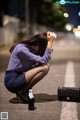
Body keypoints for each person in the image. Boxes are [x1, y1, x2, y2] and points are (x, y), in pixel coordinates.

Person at [4, 31, 57, 109]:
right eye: (44, 48)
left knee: (46, 67)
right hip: (12, 80)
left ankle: (22, 91)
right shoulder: (22, 49)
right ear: (38, 44)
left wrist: (51, 41)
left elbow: (45, 58)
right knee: (45, 67)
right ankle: (22, 92)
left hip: (19, 77)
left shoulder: (32, 50)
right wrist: (50, 41)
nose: (44, 50)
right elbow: (44, 60)